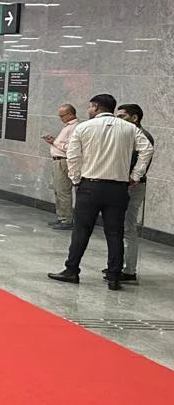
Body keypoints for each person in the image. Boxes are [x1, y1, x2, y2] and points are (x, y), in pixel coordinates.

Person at [49, 93, 153, 291]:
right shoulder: (129, 128)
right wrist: (135, 175)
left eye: (90, 107)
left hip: (90, 186)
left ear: (95, 107)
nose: (88, 110)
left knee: (81, 231)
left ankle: (72, 270)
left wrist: (76, 179)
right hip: (118, 188)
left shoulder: (84, 127)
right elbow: (146, 150)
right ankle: (114, 276)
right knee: (115, 232)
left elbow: (73, 155)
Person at [115, 103, 153, 283]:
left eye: (122, 116)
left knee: (128, 227)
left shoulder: (142, 136)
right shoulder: (127, 134)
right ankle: (118, 264)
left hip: (133, 186)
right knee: (120, 227)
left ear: (134, 118)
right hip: (122, 185)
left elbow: (138, 162)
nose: (117, 120)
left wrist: (133, 177)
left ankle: (129, 270)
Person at [42, 103, 79, 231]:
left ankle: (66, 219)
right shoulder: (67, 127)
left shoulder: (74, 127)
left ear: (70, 114)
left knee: (63, 190)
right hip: (58, 161)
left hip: (64, 161)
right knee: (58, 189)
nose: (61, 118)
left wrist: (54, 142)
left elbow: (70, 147)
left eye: (62, 115)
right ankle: (61, 216)